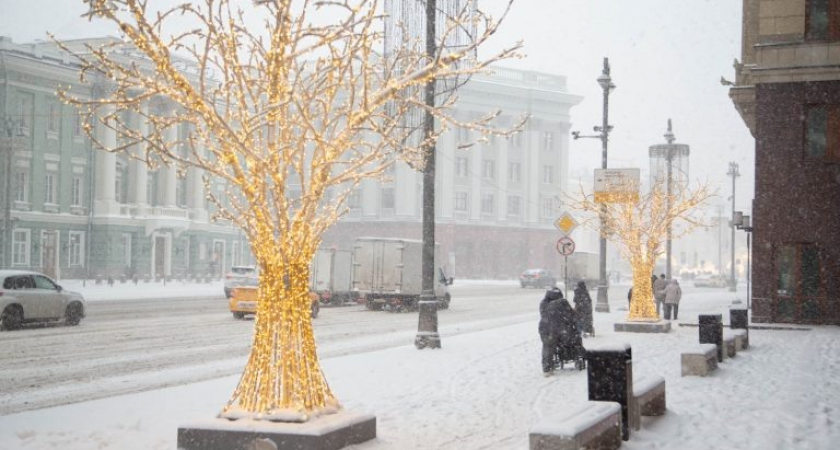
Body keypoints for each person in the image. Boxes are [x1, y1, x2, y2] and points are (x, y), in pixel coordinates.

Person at [538, 288, 564, 376]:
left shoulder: (544, 303)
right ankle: (547, 368)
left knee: (548, 348)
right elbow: (554, 317)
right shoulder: (553, 304)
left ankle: (548, 367)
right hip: (549, 329)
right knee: (548, 348)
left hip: (545, 328)